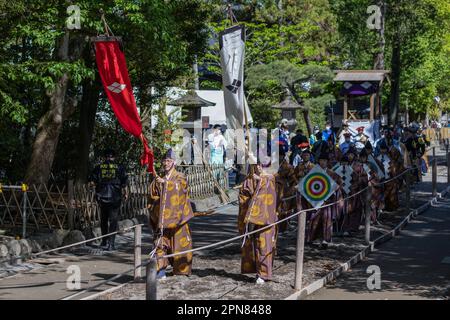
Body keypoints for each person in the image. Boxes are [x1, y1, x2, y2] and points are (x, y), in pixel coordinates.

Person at [148, 149, 194, 279]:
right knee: (160, 244)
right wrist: (157, 200)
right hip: (162, 219)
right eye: (164, 161)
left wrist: (167, 184)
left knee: (180, 245)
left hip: (178, 218)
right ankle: (160, 271)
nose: (166, 163)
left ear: (174, 162)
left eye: (169, 161)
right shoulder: (159, 179)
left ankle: (181, 271)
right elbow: (152, 197)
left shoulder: (180, 176)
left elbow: (182, 188)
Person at [238, 156, 279, 284]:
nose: (259, 167)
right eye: (258, 165)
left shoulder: (270, 179)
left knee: (265, 246)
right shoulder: (249, 180)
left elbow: (267, 193)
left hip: (267, 219)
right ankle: (256, 272)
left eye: (262, 165)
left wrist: (261, 180)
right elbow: (243, 197)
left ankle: (264, 274)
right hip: (251, 217)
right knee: (252, 246)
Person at [90, 149, 128, 251]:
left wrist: (96, 190)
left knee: (103, 220)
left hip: (102, 198)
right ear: (114, 157)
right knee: (113, 221)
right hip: (115, 198)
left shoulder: (98, 168)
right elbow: (124, 183)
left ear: (104, 157)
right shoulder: (120, 168)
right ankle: (111, 244)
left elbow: (92, 182)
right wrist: (125, 193)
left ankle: (104, 241)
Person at [306, 152, 342, 246]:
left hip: (327, 202)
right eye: (321, 160)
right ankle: (312, 238)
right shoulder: (314, 172)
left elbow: (339, 184)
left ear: (327, 162)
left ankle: (326, 239)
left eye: (325, 161)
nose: (323, 162)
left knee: (327, 220)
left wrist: (335, 189)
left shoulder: (332, 173)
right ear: (319, 161)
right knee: (314, 220)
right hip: (315, 201)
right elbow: (307, 184)